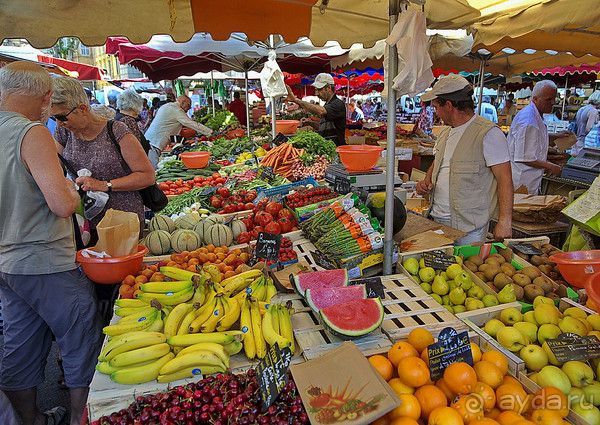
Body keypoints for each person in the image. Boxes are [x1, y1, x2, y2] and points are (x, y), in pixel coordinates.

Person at [0, 61, 102, 425]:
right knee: (80, 334)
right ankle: (79, 417)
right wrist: (75, 195)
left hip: (7, 265)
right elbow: (60, 204)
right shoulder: (32, 133)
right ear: (44, 98)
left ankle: (31, 420)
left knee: (20, 342)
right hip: (44, 258)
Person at [52, 76, 155, 240]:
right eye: (54, 118)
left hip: (122, 220)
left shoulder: (117, 130)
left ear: (83, 108)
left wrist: (103, 185)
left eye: (62, 117)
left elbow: (147, 176)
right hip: (84, 221)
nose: (58, 123)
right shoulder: (64, 132)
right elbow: (52, 168)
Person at [416, 75, 513, 244]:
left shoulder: (488, 133)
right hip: (436, 218)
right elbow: (439, 160)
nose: (436, 113)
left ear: (448, 105)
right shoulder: (445, 132)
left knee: (465, 268)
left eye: (436, 107)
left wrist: (505, 221)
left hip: (469, 227)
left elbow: (505, 180)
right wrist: (426, 181)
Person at [507, 80, 561, 194]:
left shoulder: (535, 115)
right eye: (548, 99)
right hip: (521, 179)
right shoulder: (528, 121)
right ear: (535, 99)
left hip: (528, 179)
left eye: (553, 98)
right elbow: (525, 157)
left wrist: (557, 136)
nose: (552, 102)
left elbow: (536, 138)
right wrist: (551, 166)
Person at [145, 95, 213, 168]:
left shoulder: (168, 106)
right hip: (152, 144)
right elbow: (191, 123)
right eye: (188, 105)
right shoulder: (175, 110)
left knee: (153, 168)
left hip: (152, 142)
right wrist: (210, 132)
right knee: (153, 170)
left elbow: (172, 130)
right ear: (183, 102)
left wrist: (184, 141)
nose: (189, 108)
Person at [285, 73, 346, 146]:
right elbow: (323, 128)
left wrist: (296, 100)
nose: (316, 94)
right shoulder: (327, 104)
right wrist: (310, 123)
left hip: (336, 148)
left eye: (319, 90)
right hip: (327, 147)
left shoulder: (337, 104)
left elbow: (320, 111)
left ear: (329, 88)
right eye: (316, 90)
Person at [572, 90, 600, 156]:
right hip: (584, 142)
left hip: (576, 140)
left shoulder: (582, 108)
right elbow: (589, 128)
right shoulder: (593, 111)